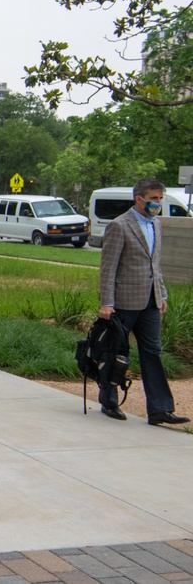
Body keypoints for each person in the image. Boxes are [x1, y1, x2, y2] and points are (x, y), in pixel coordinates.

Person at [97, 178, 189, 426]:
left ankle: (160, 409)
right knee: (116, 352)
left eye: (160, 198)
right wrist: (106, 302)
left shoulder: (156, 225)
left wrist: (162, 294)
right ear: (139, 199)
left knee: (153, 352)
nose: (157, 203)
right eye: (154, 199)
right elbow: (108, 268)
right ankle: (109, 401)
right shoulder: (119, 225)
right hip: (123, 302)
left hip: (150, 302)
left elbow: (154, 265)